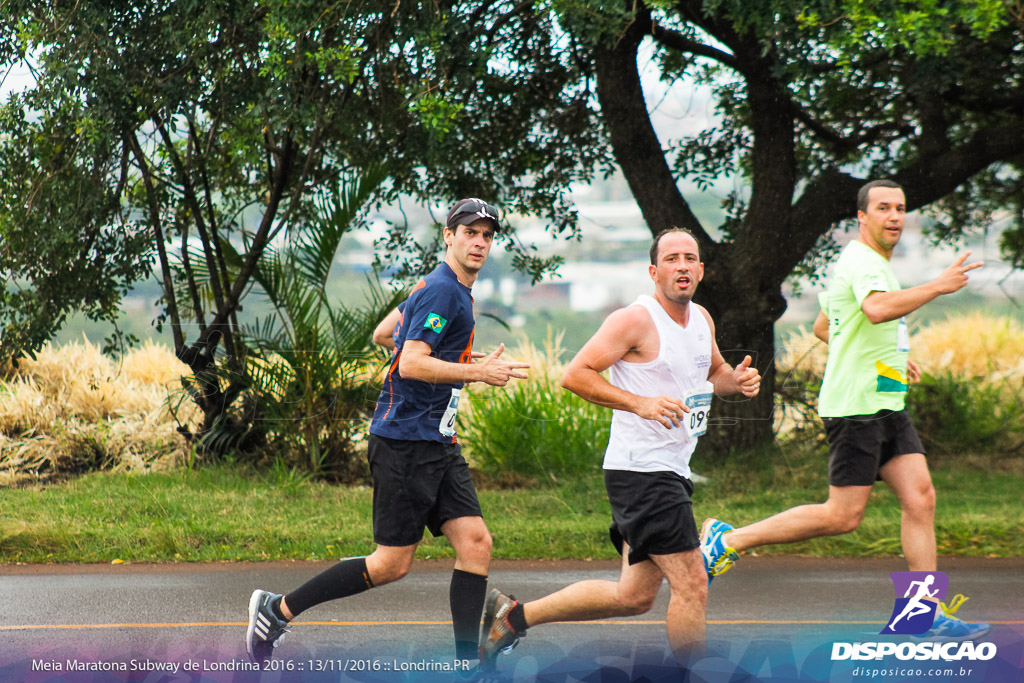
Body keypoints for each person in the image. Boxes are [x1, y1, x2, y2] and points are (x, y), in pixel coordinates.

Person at [700, 179, 990, 641]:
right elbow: (875, 311)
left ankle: (921, 615)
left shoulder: (871, 264)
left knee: (921, 498)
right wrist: (937, 286)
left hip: (884, 402)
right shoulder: (862, 261)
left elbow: (824, 323)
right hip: (856, 409)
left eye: (900, 207)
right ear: (862, 216)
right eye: (883, 208)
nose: (894, 216)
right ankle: (729, 540)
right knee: (841, 517)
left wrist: (889, 357)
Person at [245, 198, 530, 667]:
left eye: (487, 235)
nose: (479, 242)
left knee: (476, 542)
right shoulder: (443, 291)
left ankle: (467, 664)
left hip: (436, 440)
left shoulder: (441, 287)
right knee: (389, 565)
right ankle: (276, 610)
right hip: (406, 443)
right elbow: (412, 361)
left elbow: (384, 334)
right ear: (449, 236)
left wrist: (460, 360)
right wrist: (475, 374)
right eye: (470, 232)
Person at [478, 228, 761, 670]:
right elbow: (576, 374)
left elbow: (716, 373)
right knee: (692, 584)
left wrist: (737, 383)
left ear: (701, 270)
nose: (682, 266)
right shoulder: (635, 319)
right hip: (642, 472)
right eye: (671, 259)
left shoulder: (702, 320)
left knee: (633, 596)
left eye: (690, 258)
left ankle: (513, 617)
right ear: (654, 271)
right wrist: (639, 403)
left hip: (671, 469)